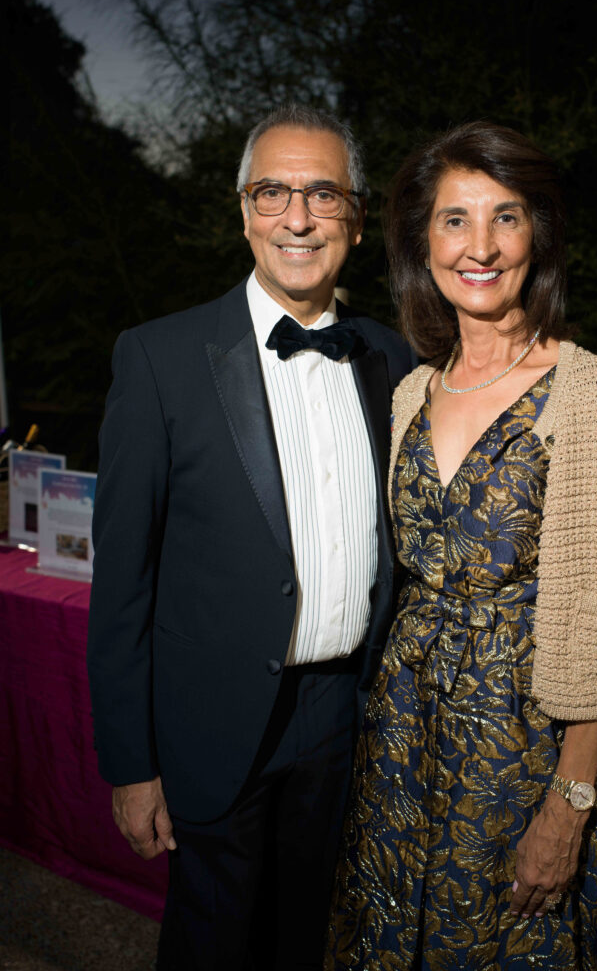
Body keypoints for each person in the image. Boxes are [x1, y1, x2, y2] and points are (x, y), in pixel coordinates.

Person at [326, 122, 597, 970]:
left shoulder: (590, 392)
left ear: (539, 236)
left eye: (505, 216)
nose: (479, 245)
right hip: (404, 738)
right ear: (422, 240)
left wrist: (569, 802)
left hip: (529, 748)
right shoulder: (413, 388)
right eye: (454, 219)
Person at [87, 103, 415, 971]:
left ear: (353, 212)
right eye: (273, 192)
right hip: (213, 719)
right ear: (242, 211)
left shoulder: (393, 358)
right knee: (212, 940)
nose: (297, 218)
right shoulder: (157, 358)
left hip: (346, 715)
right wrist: (131, 765)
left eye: (321, 194)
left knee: (308, 937)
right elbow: (121, 581)